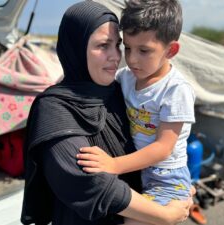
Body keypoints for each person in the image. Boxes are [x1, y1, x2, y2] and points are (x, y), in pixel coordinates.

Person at [21, 1, 193, 225]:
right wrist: (166, 216)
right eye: (103, 46)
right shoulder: (54, 108)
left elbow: (164, 146)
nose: (121, 57)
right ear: (76, 47)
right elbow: (90, 183)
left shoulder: (115, 91)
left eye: (117, 45)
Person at [76, 0, 195, 223]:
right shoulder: (127, 77)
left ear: (171, 50)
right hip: (139, 173)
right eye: (128, 48)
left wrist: (113, 165)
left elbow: (163, 148)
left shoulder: (176, 90)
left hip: (166, 178)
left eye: (144, 50)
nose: (131, 59)